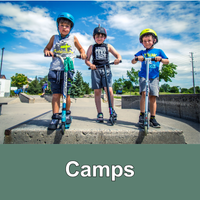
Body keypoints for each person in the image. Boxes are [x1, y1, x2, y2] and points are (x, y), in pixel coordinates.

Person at [44, 12, 86, 130]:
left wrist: (82, 53)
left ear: (70, 28)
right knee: (56, 94)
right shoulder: (54, 37)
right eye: (62, 25)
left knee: (66, 93)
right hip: (55, 69)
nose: (64, 28)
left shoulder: (73, 38)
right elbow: (47, 48)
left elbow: (81, 48)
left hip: (68, 69)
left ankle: (67, 113)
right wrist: (48, 51)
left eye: (67, 26)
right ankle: (55, 116)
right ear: (58, 26)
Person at [131, 28, 169, 128]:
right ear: (142, 42)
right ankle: (142, 116)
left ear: (154, 41)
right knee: (144, 93)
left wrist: (160, 59)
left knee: (153, 97)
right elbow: (133, 61)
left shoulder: (159, 51)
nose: (147, 42)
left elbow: (167, 61)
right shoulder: (142, 52)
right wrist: (137, 58)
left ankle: (152, 117)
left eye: (149, 40)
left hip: (154, 77)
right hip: (144, 76)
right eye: (144, 41)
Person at [85, 25, 122, 122]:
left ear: (104, 37)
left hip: (106, 69)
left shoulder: (108, 46)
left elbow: (118, 55)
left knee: (109, 90)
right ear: (94, 38)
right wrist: (90, 64)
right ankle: (99, 113)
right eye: (97, 36)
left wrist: (118, 59)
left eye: (101, 36)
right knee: (97, 91)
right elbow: (87, 60)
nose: (99, 38)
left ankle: (111, 110)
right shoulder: (91, 47)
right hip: (95, 70)